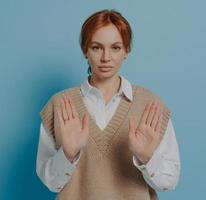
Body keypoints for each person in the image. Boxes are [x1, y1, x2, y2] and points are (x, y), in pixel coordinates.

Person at [36, 9, 180, 200]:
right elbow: (51, 183)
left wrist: (147, 158)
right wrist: (68, 154)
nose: (106, 58)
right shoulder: (59, 105)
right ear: (84, 50)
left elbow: (169, 183)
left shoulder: (151, 106)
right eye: (96, 47)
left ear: (127, 50)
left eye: (116, 48)